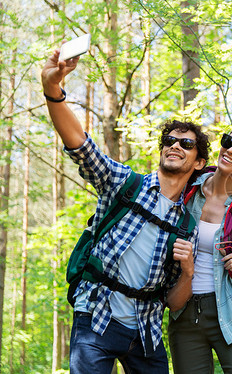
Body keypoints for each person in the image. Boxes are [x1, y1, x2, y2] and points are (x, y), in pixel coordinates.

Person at [41, 49, 209, 374]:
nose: (175, 145)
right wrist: (53, 90)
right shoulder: (123, 183)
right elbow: (79, 144)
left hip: (146, 332)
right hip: (96, 316)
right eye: (170, 140)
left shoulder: (187, 225)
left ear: (199, 162)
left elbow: (174, 302)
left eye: (186, 144)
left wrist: (188, 270)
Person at [167, 125, 232, 374]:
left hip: (231, 311)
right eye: (229, 141)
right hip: (183, 312)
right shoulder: (188, 188)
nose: (231, 150)